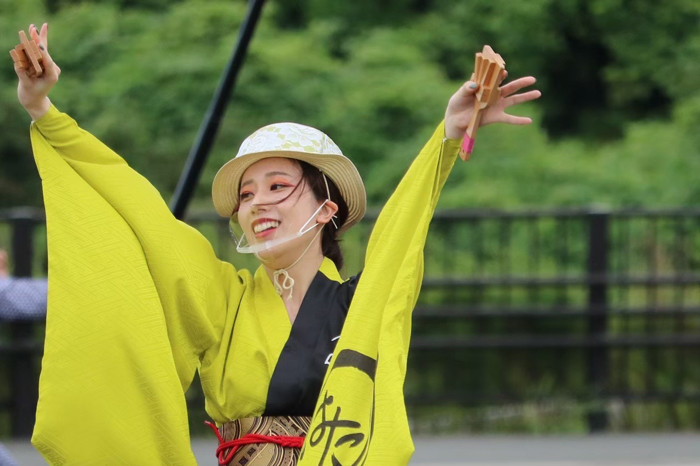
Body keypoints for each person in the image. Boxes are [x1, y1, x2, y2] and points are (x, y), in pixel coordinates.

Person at [15, 22, 540, 465]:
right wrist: (45, 113)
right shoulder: (223, 297)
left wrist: (446, 137)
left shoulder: (358, 306)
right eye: (246, 194)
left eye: (277, 186)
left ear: (326, 209)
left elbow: (402, 235)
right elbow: (141, 213)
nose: (257, 203)